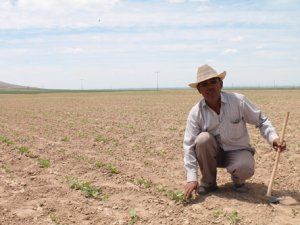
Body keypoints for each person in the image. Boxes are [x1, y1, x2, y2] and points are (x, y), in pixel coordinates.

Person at [183, 64, 286, 200]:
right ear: (199, 90)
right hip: (213, 155)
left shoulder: (238, 101)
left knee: (245, 167)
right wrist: (191, 178)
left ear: (221, 83)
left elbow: (261, 121)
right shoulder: (196, 112)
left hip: (237, 152)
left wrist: (274, 139)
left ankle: (238, 180)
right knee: (203, 139)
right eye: (204, 84)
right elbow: (189, 146)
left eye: (213, 81)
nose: (209, 87)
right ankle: (208, 183)